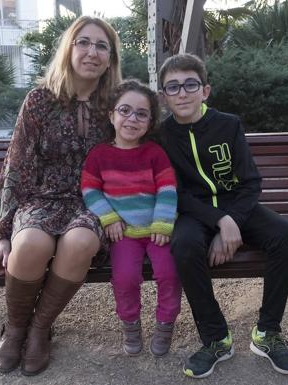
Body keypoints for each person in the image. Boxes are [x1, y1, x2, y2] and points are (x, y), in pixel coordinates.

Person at [0, 16, 122, 376]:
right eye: (83, 42)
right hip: (40, 198)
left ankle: (40, 329)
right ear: (69, 48)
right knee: (31, 246)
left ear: (111, 58)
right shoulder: (40, 100)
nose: (92, 52)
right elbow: (16, 165)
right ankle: (15, 328)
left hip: (91, 201)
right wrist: (4, 234)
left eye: (102, 46)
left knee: (81, 242)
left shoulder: (117, 104)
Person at [158, 53, 288, 378]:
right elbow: (176, 193)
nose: (182, 93)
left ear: (205, 91)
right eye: (173, 87)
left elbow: (251, 182)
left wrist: (233, 219)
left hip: (238, 206)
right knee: (183, 245)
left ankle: (267, 333)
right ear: (163, 96)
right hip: (194, 212)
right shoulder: (162, 136)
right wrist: (218, 221)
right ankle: (215, 339)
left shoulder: (228, 124)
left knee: (285, 234)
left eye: (190, 84)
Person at [80, 79, 182, 357]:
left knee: (170, 274)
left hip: (157, 230)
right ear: (111, 115)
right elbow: (90, 190)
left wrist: (163, 222)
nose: (132, 119)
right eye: (124, 110)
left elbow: (167, 188)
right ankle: (130, 326)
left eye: (141, 114)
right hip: (123, 233)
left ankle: (164, 325)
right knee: (125, 278)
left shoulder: (154, 153)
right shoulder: (99, 155)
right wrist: (109, 218)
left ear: (150, 122)